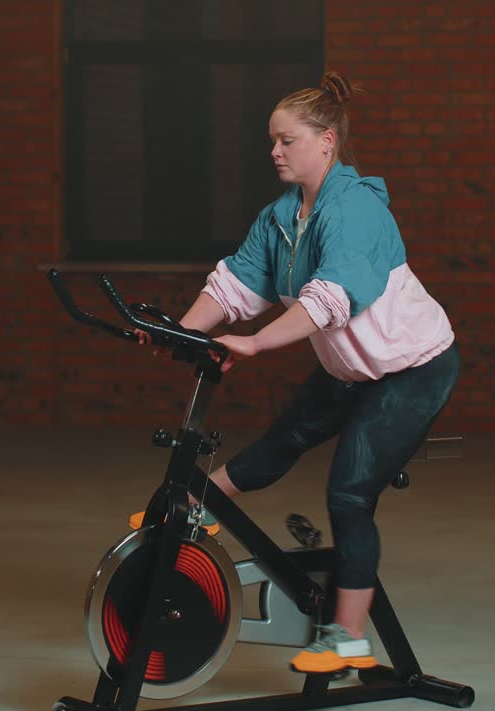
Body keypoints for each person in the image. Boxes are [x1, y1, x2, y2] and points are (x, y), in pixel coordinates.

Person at [132, 70, 459, 674]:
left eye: (287, 141)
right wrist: (182, 330)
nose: (274, 151)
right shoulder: (283, 215)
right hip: (349, 371)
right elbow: (237, 283)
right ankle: (197, 508)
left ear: (327, 141)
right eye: (272, 140)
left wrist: (257, 344)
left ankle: (349, 639)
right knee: (282, 442)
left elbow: (330, 299)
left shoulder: (355, 209)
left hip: (413, 371)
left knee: (350, 492)